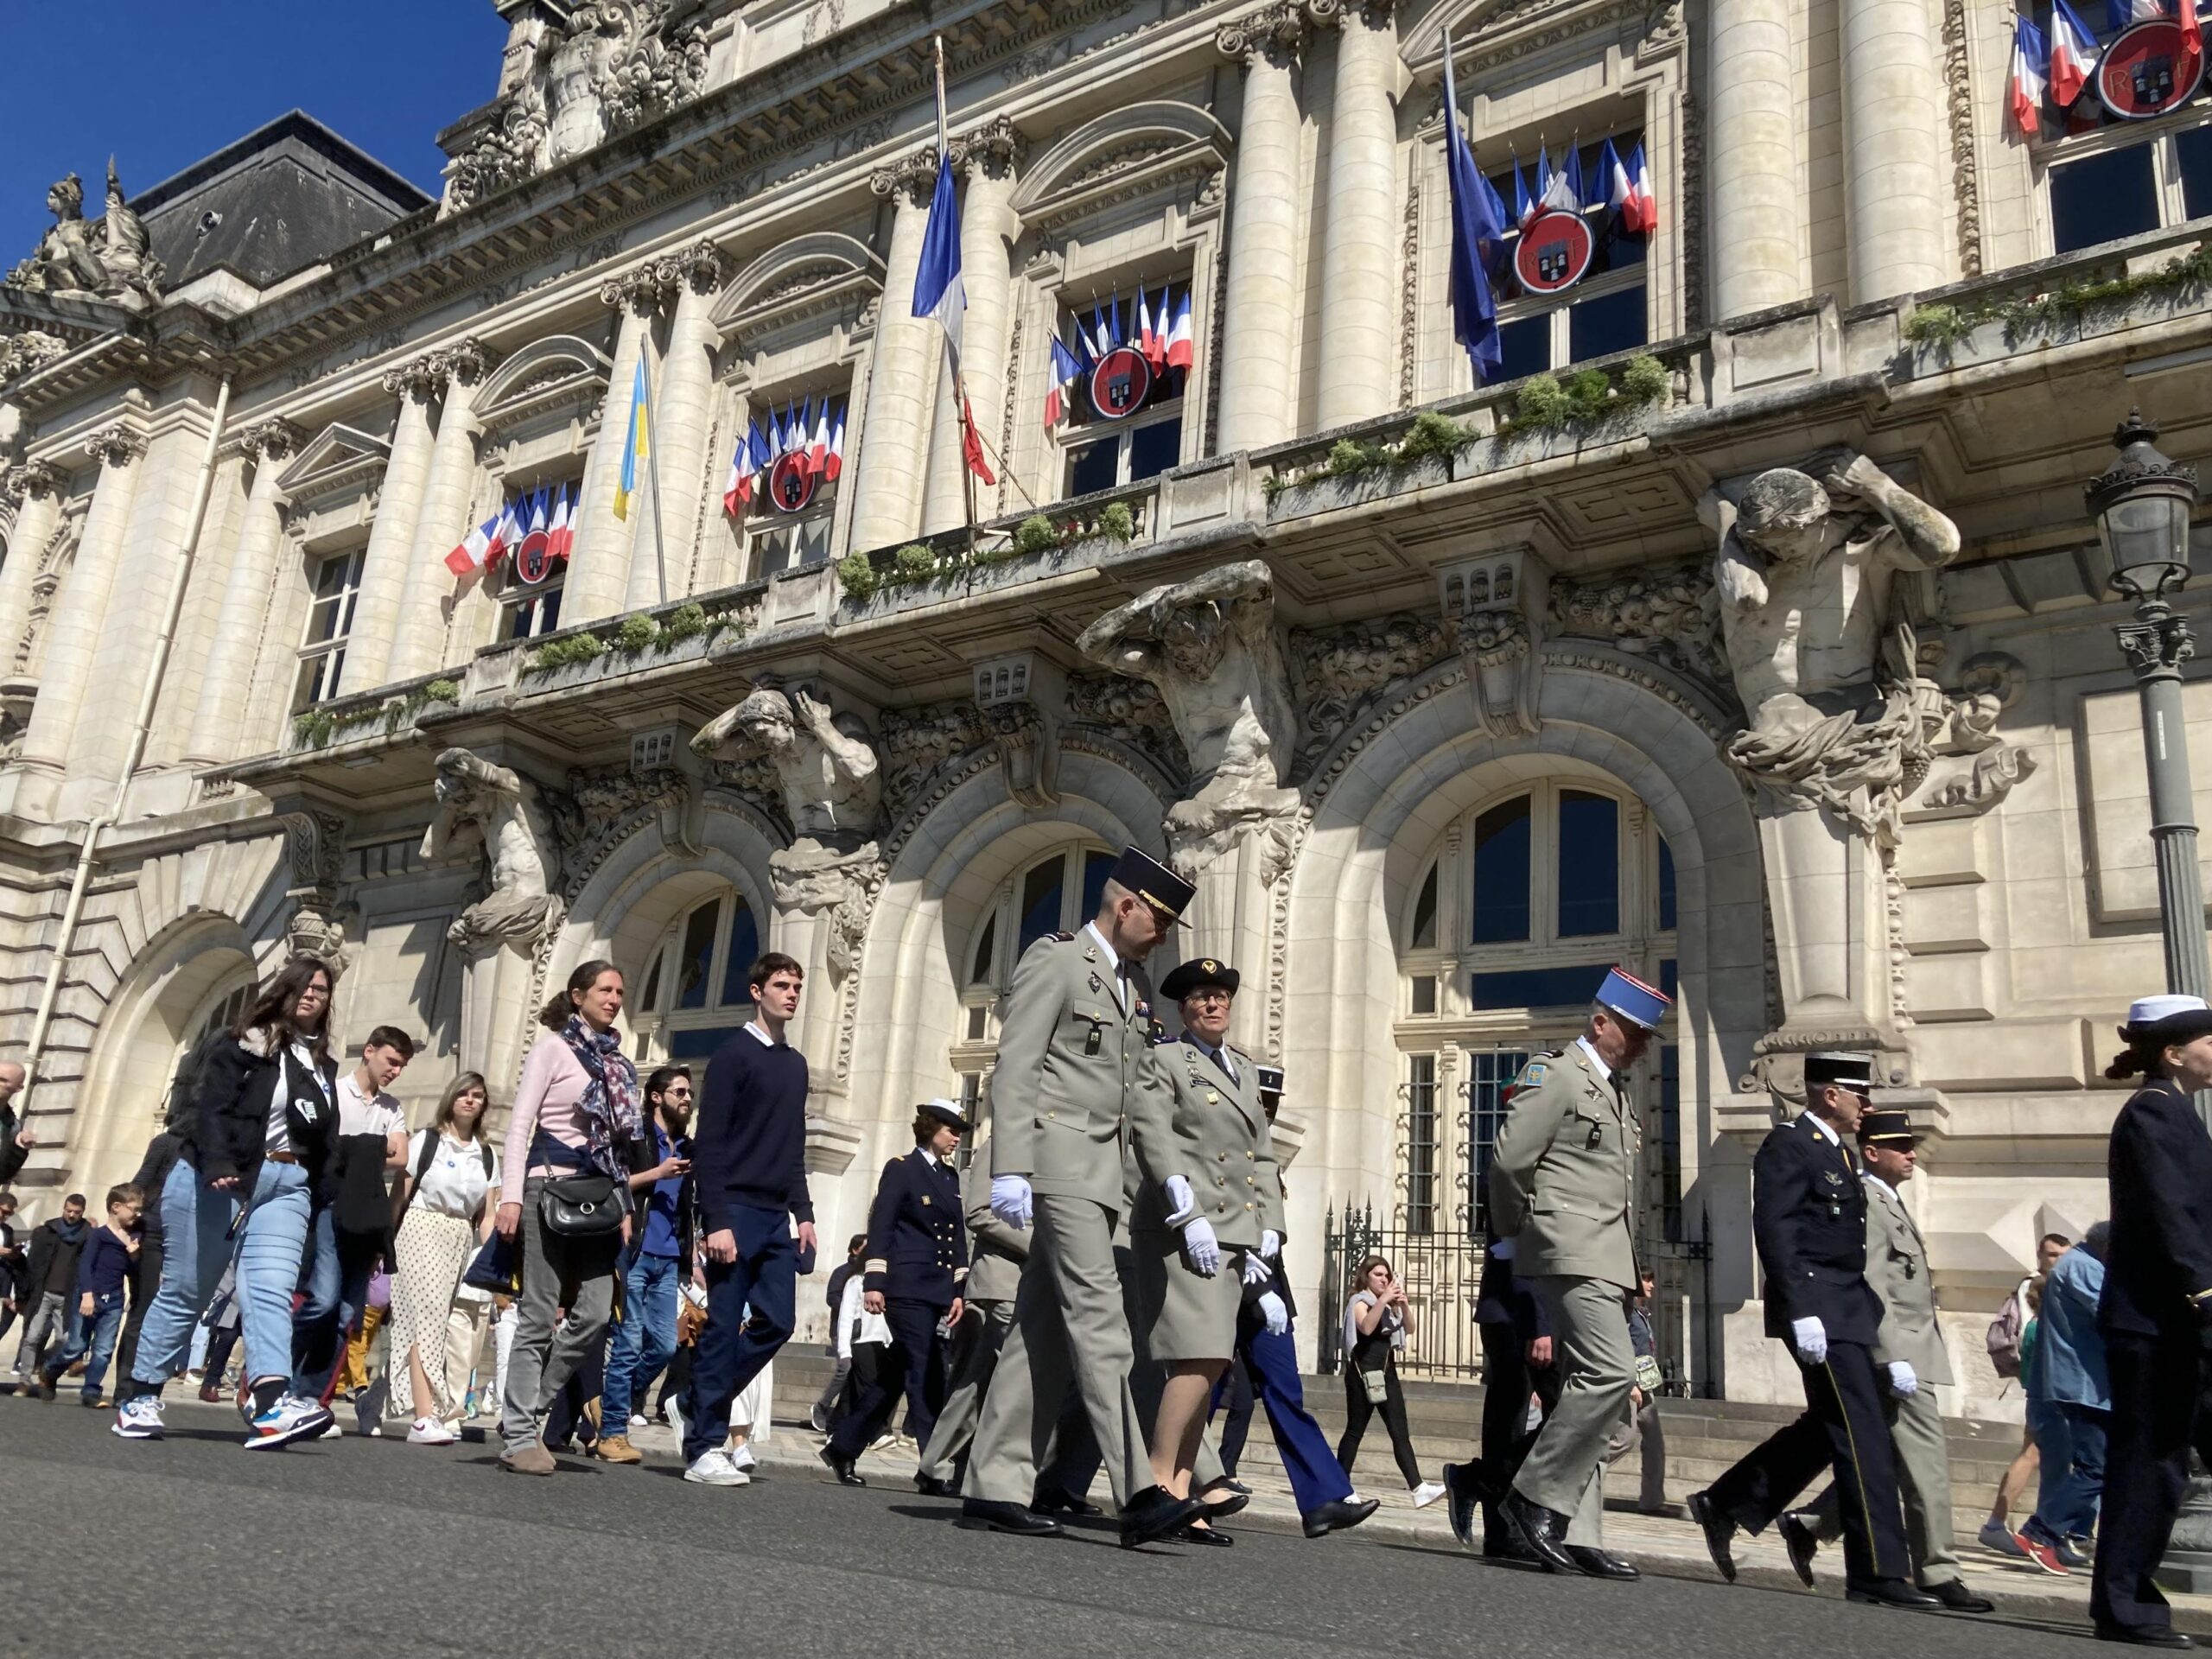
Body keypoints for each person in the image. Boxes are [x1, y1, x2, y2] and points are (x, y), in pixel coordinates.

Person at [957, 846, 1208, 1548]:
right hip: (1059, 1165)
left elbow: (1136, 1100)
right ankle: (1139, 1489)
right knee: (1101, 1323)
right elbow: (1017, 1062)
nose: (1163, 934)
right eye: (1158, 920)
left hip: (1101, 1178)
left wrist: (1170, 1187)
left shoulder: (1129, 986)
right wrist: (1011, 1165)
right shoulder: (1059, 959)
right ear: (1125, 906)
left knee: (1040, 1333)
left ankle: (995, 1484)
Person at [1688, 1052, 1932, 1608]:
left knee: (1832, 1426)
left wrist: (1883, 1339)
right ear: (1830, 1095)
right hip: (1819, 1309)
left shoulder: (1841, 1153)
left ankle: (1727, 1503)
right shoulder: (1789, 1145)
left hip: (1850, 1311)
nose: (1866, 1104)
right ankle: (1877, 1573)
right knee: (1862, 1434)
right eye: (1859, 1094)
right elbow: (1775, 1231)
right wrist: (1800, 1309)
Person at [114, 954, 341, 1447]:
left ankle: (270, 1401)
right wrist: (218, 1163)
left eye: (321, 990)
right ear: (284, 989)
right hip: (219, 1178)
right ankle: (141, 1394)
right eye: (303, 986)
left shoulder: (322, 1065)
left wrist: (322, 1192)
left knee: (270, 1291)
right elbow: (210, 1108)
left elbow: (325, 1139)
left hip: (287, 1184)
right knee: (186, 1291)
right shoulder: (242, 1043)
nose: (311, 995)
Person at [1487, 968, 1670, 1580]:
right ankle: (1532, 1497)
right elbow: (1511, 1159)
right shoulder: (1557, 1073)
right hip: (1568, 1248)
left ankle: (1578, 1531)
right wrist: (1513, 1235)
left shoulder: (1612, 1090)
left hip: (1605, 1257)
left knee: (1591, 1393)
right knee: (1610, 1375)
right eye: (1636, 1032)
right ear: (1601, 1022)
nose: (1644, 1044)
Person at [1775, 1108, 1994, 1611]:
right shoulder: (1869, 1200)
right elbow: (1871, 1283)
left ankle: (1811, 1524)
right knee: (1925, 1466)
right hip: (1900, 1356)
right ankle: (1939, 1572)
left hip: (1914, 1350)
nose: (1912, 1152)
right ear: (1871, 1152)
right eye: (1900, 1145)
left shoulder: (1887, 1198)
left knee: (1892, 1461)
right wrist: (1891, 1355)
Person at [1128, 957, 1294, 1543]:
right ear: (1184, 1009)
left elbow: (1262, 1155)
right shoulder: (1167, 1058)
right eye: (1200, 997)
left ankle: (1183, 1490)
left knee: (1215, 1361)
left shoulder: (1244, 1070)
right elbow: (1152, 1131)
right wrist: (1186, 1210)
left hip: (1235, 1231)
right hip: (1186, 1228)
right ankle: (1153, 1483)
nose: (1212, 1004)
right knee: (1195, 1356)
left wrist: (1269, 1226)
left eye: (1220, 996)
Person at [2091, 995, 2212, 1649]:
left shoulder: (2179, 1114)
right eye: (2211, 1042)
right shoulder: (2151, 1114)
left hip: (2179, 1324)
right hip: (2159, 1325)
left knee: (2164, 1464)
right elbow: (2173, 1217)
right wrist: (2207, 1294)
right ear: (2174, 1053)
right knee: (2149, 1467)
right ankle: (2125, 1604)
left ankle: (2127, 1598)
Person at [495, 959, 642, 1475]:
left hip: (600, 1198)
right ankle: (518, 1434)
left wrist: (624, 1203)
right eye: (605, 989)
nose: (614, 998)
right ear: (578, 996)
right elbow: (520, 1124)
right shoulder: (553, 1048)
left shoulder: (618, 1063)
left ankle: (530, 1410)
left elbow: (621, 1147)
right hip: (548, 1185)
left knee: (597, 1312)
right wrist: (510, 1195)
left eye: (620, 991)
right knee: (538, 1314)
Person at [679, 952, 817, 1489]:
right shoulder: (734, 1056)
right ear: (757, 991)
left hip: (775, 1215)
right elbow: (709, 1145)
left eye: (797, 986)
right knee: (720, 1328)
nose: (791, 994)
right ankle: (703, 1448)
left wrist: (803, 1213)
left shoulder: (796, 1064)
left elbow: (793, 1147)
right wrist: (715, 1220)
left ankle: (695, 1400)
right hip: (732, 1210)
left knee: (778, 1321)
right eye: (782, 985)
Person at [1224, 1065, 1377, 1540]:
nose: (1266, 1111)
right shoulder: (1225, 1149)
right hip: (1228, 1291)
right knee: (1199, 1395)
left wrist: (1274, 1299)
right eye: (1260, 1102)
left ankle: (1322, 1499)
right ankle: (1171, 1482)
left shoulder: (1265, 1158)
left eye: (1271, 1104)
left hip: (1267, 1300)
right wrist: (1255, 1290)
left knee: (1284, 1396)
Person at [823, 1099, 969, 1485]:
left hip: (936, 1290)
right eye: (951, 1129)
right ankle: (932, 1468)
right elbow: (882, 1226)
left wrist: (958, 1289)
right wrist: (874, 1282)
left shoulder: (951, 1179)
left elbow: (955, 1239)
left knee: (894, 1376)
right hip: (905, 1287)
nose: (956, 1137)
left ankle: (842, 1447)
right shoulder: (901, 1169)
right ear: (930, 1128)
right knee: (925, 1373)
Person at [294, 1027, 413, 1405]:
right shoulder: (334, 1093)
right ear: (369, 1051)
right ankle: (276, 1365)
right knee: (324, 1300)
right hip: (331, 1204)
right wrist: (376, 1147)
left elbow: (403, 1157)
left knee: (348, 1313)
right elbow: (328, 1149)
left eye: (402, 1066)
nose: (395, 1071)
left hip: (367, 1213)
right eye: (392, 1061)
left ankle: (310, 1396)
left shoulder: (392, 1107)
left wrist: (354, 1149)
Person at [385, 1072, 500, 1443]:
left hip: (458, 1236)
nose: (470, 1101)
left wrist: (495, 1259)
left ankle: (375, 1399)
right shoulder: (428, 1141)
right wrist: (383, 1241)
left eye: (478, 1096)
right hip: (420, 1226)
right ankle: (424, 1416)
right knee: (428, 1320)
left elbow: (488, 1214)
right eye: (463, 1094)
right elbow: (401, 1194)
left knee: (429, 1320)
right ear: (451, 1098)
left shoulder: (485, 1153)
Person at [1445, 1220, 1557, 1559]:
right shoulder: (1521, 1173)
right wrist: (1539, 1322)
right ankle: (1492, 1506)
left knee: (1509, 1427)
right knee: (1561, 1416)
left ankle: (1492, 1512)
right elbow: (1523, 1240)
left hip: (1517, 1312)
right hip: (1518, 1313)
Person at [599, 1065, 694, 1465]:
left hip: (669, 1259)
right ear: (656, 1096)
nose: (687, 1099)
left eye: (690, 1093)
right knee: (626, 1344)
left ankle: (608, 1400)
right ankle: (613, 1430)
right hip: (635, 1252)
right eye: (679, 1092)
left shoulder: (687, 1146)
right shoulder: (636, 1135)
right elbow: (611, 1182)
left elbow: (689, 1208)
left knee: (666, 1345)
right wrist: (657, 1172)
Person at [1980, 1230, 2071, 1559]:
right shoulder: (2033, 1289)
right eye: (2052, 1255)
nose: (2058, 1261)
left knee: (2046, 1457)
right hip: (2045, 1386)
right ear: (2039, 1256)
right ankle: (1996, 1524)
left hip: (2047, 1386)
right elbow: (2031, 1336)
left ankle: (2051, 1533)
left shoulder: (2058, 1286)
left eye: (2063, 1254)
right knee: (2033, 1453)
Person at [2026, 1221, 2110, 1573]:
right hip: (2083, 1385)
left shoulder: (2079, 1263)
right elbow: (2111, 1314)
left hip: (2084, 1383)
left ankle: (2056, 1535)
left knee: (2098, 1466)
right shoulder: (2085, 1267)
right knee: (2096, 1468)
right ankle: (2041, 1532)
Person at [1335, 1255, 1444, 1508]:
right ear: (1366, 1277)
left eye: (1387, 1275)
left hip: (1387, 1373)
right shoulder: (1359, 1301)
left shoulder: (1389, 1305)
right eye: (1378, 1275)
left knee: (1400, 1432)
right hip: (1363, 1374)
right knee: (1355, 1431)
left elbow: (1411, 1328)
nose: (1384, 1279)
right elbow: (1366, 1327)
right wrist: (1383, 1300)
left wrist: (1403, 1305)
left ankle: (1418, 1488)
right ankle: (1341, 1486)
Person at [34, 1183, 143, 1405]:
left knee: (103, 1349)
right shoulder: (98, 1235)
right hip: (89, 1297)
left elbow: (132, 1271)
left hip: (113, 1299)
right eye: (134, 1209)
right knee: (76, 1347)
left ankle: (91, 1391)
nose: (138, 1214)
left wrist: (134, 1256)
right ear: (116, 1207)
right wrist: (87, 1294)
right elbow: (85, 1265)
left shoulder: (133, 1239)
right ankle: (49, 1371)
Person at [114, 1125, 181, 1389]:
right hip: (152, 1233)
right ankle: (126, 1385)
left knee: (173, 1312)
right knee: (142, 1307)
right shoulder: (166, 1142)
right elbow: (139, 1184)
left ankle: (150, 1386)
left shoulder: (214, 1147)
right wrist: (122, 1229)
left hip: (186, 1236)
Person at [11, 1192, 88, 1389]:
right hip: (43, 1293)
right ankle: (24, 1380)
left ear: (82, 1212)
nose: (71, 1215)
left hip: (69, 1296)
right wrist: (23, 1294)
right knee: (32, 1337)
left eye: (76, 1212)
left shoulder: (88, 1236)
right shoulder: (47, 1231)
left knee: (66, 1340)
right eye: (68, 1210)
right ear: (63, 1208)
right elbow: (32, 1265)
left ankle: (45, 1365)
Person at [810, 1234, 868, 1432]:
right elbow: (832, 1297)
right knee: (845, 1368)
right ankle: (822, 1405)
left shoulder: (871, 1275)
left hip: (865, 1333)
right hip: (843, 1330)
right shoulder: (843, 1273)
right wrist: (849, 1308)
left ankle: (843, 1418)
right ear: (854, 1250)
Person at [0, 1060, 30, 1186]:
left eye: (3, 1080)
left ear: (18, 1088)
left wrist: (19, 1150)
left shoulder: (13, 1126)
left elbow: (3, 1175)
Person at [0, 1192, 22, 1346]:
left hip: (3, 1281)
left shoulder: (7, 1230)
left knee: (8, 1318)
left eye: (10, 1213)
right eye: (5, 1211)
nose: (6, 1216)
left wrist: (12, 1254)